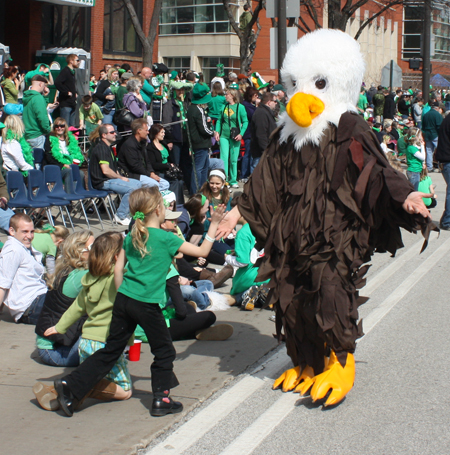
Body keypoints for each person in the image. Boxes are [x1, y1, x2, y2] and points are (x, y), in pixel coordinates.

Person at [49, 186, 225, 417]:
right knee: (164, 351)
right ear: (157, 210)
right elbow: (202, 249)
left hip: (124, 300)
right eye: (164, 205)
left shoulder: (132, 236)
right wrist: (213, 224)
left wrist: (126, 295)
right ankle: (161, 399)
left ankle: (69, 386)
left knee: (111, 350)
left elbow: (119, 271)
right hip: (145, 303)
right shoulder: (166, 238)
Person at [38, 232, 132, 412]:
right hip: (106, 342)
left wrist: (59, 327)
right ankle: (76, 387)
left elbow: (77, 307)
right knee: (125, 391)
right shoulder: (118, 279)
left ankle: (58, 398)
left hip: (86, 342)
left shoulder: (90, 278)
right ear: (116, 257)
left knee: (91, 374)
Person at [34, 230, 94, 369]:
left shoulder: (67, 269)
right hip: (55, 352)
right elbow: (112, 276)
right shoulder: (81, 276)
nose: (98, 250)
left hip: (52, 345)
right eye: (93, 247)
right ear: (80, 251)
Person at [89, 124, 142, 225]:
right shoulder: (101, 149)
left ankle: (128, 213)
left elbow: (113, 169)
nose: (115, 134)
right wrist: (121, 178)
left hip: (109, 180)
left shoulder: (108, 147)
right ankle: (120, 216)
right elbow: (106, 171)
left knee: (138, 184)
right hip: (102, 182)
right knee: (132, 188)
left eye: (115, 131)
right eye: (112, 132)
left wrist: (122, 178)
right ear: (104, 135)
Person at [0, 213, 47, 324]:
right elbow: (3, 283)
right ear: (12, 231)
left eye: (32, 231)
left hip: (39, 297)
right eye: (24, 231)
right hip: (30, 306)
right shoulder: (13, 250)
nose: (30, 236)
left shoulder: (23, 247)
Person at [118, 118, 170, 191]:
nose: (148, 132)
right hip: (133, 175)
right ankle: (148, 201)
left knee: (165, 184)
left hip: (143, 173)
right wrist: (149, 175)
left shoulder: (142, 143)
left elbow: (147, 161)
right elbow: (135, 166)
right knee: (155, 185)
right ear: (139, 131)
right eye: (146, 130)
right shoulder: (129, 145)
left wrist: (152, 172)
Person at [186, 84, 219, 195]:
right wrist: (213, 133)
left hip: (199, 143)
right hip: (200, 143)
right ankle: (197, 192)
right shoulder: (198, 110)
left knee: (204, 168)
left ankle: (203, 190)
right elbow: (204, 128)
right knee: (199, 169)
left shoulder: (190, 108)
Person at [215, 88, 248, 188]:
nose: (225, 96)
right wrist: (217, 131)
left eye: (227, 94)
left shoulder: (240, 107)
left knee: (233, 159)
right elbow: (219, 120)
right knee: (224, 158)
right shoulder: (223, 107)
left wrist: (241, 134)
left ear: (232, 95)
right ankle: (224, 180)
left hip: (235, 136)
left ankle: (233, 180)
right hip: (224, 136)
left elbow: (245, 121)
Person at [43, 117, 85, 189]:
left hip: (70, 165)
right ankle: (69, 196)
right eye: (57, 126)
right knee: (68, 172)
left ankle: (81, 195)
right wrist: (63, 165)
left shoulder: (70, 139)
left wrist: (74, 163)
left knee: (81, 173)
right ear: (54, 128)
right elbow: (49, 157)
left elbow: (76, 153)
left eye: (62, 126)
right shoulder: (49, 139)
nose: (59, 128)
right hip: (56, 168)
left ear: (65, 127)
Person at [146, 123, 183, 201]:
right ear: (156, 134)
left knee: (179, 181)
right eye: (162, 132)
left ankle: (178, 203)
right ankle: (172, 201)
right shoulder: (150, 148)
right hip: (160, 172)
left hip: (168, 170)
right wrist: (167, 165)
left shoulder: (163, 144)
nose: (164, 134)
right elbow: (153, 164)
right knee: (174, 182)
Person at [250, 91, 277, 172]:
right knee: (257, 178)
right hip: (261, 153)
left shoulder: (266, 112)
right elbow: (261, 134)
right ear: (269, 102)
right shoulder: (261, 113)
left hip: (266, 152)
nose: (276, 103)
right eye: (275, 101)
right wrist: (266, 150)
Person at [23, 75, 51, 149]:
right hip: (37, 135)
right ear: (41, 84)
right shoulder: (38, 98)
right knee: (38, 159)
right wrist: (48, 129)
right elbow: (42, 116)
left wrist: (45, 97)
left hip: (28, 135)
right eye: (44, 85)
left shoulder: (27, 96)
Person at [54, 54, 80, 127]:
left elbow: (70, 85)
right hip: (66, 104)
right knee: (65, 126)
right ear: (71, 61)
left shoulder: (72, 72)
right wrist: (66, 92)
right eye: (77, 60)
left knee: (72, 126)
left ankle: (71, 138)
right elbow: (57, 82)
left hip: (72, 103)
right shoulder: (65, 71)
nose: (79, 62)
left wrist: (75, 93)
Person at [435, 111, 450, 230]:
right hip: (447, 160)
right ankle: (447, 221)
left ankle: (446, 219)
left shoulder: (447, 119)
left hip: (445, 160)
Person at [241, 86, 259, 180]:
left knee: (250, 154)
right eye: (255, 95)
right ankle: (244, 174)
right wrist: (256, 106)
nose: (257, 97)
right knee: (247, 154)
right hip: (248, 133)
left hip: (251, 133)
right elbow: (253, 116)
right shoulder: (246, 106)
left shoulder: (250, 105)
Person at [422, 100, 443, 172]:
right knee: (440, 151)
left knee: (429, 151)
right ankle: (441, 167)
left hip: (427, 135)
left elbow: (423, 126)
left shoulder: (426, 114)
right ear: (437, 108)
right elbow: (439, 126)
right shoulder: (437, 115)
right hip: (435, 134)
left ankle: (429, 167)